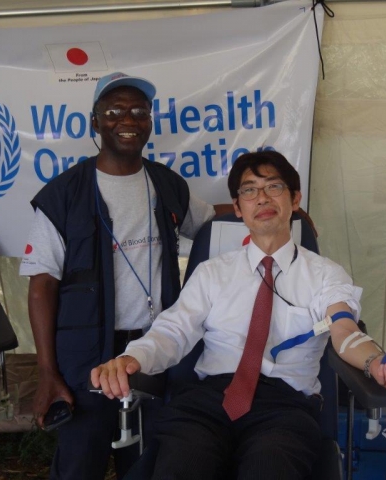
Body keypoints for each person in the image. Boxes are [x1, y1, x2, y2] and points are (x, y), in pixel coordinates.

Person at [91, 150, 386, 479]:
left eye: (274, 187)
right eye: (249, 190)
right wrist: (133, 358)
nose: (261, 198)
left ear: (295, 199)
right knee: (181, 467)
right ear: (238, 208)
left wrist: (373, 361)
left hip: (285, 408)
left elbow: (344, 329)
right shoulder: (212, 273)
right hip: (207, 403)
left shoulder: (325, 274)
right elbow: (173, 331)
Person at [20, 72, 234, 480]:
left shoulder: (167, 184)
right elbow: (41, 286)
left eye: (139, 111)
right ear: (95, 122)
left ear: (150, 122)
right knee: (81, 461)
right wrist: (47, 372)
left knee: (151, 460)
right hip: (87, 355)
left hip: (154, 349)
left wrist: (265, 204)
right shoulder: (63, 195)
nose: (128, 120)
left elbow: (211, 222)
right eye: (114, 111)